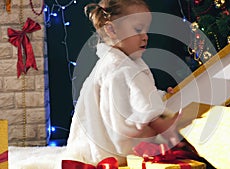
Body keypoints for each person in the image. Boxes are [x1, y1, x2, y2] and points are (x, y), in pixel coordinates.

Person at [64, 0, 182, 166]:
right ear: (111, 29)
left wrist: (162, 96)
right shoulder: (122, 68)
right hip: (112, 152)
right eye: (138, 29)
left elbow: (131, 98)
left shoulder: (111, 63)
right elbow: (145, 107)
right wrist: (166, 123)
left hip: (88, 149)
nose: (145, 36)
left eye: (147, 30)